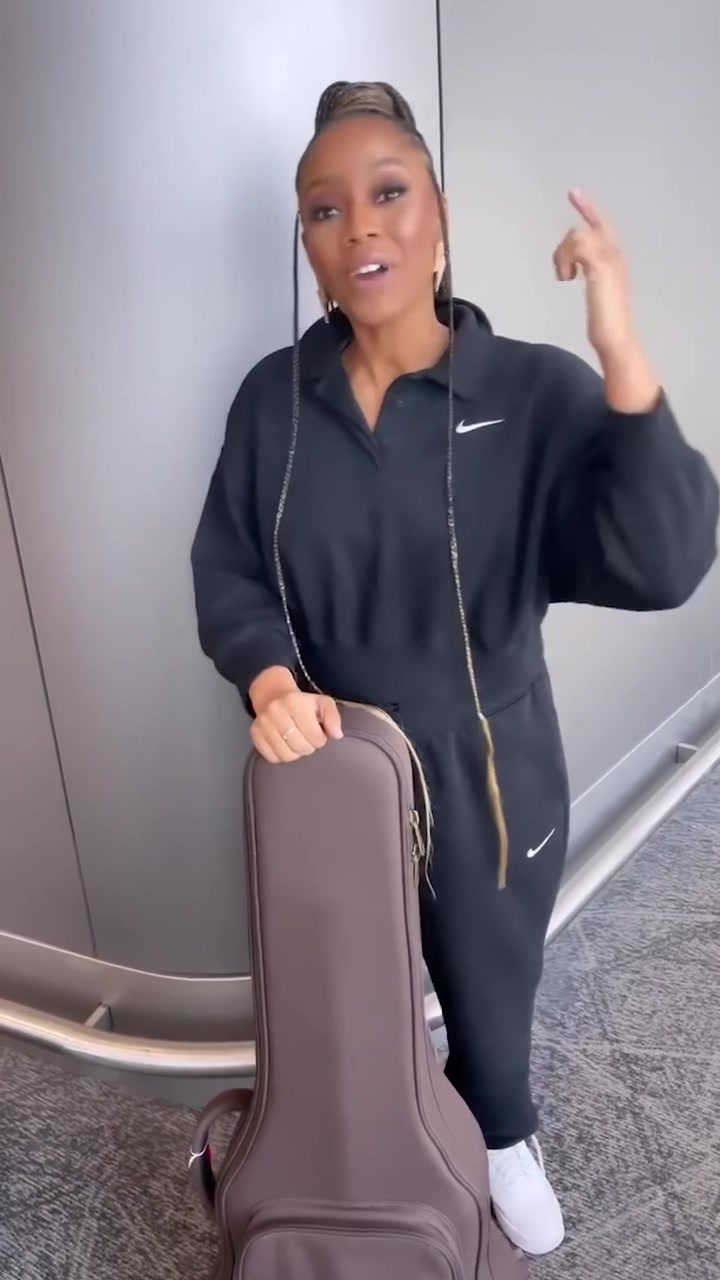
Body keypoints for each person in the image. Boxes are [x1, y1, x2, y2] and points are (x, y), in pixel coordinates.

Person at [191, 81, 718, 1256]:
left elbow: (668, 555)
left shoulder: (532, 391)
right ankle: (365, 1145)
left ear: (438, 216)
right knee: (338, 980)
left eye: (389, 192)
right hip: (333, 766)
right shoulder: (273, 403)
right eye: (325, 209)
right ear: (308, 246)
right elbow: (228, 566)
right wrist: (269, 682)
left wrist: (620, 347)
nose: (359, 226)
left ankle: (502, 1130)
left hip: (490, 767)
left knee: (487, 976)